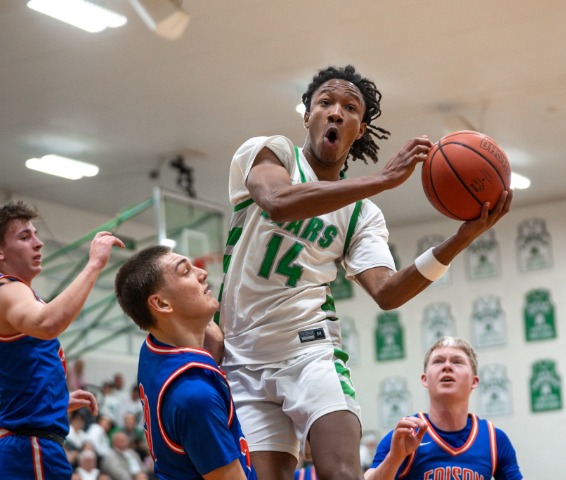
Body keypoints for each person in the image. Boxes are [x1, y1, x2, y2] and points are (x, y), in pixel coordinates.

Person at [216, 64, 512, 480]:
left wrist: (462, 238)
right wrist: (382, 179)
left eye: (350, 108)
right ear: (308, 115)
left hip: (310, 351)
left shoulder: (362, 214)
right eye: (325, 102)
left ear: (361, 129)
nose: (336, 112)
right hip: (242, 358)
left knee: (342, 472)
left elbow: (387, 292)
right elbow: (278, 201)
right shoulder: (271, 152)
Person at [0, 200, 124, 479]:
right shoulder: (8, 289)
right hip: (29, 446)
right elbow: (47, 324)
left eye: (36, 234)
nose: (38, 243)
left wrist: (54, 400)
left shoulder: (15, 296)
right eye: (24, 237)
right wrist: (94, 264)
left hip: (24, 443)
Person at [114, 245, 256, 480]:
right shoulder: (195, 396)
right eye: (186, 271)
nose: (203, 273)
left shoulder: (153, 348)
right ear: (161, 304)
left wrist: (209, 351)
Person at [364, 337, 523, 480]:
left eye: (457, 362)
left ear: (474, 381)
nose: (447, 366)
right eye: (438, 361)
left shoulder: (494, 439)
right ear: (425, 379)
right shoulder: (405, 434)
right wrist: (394, 457)